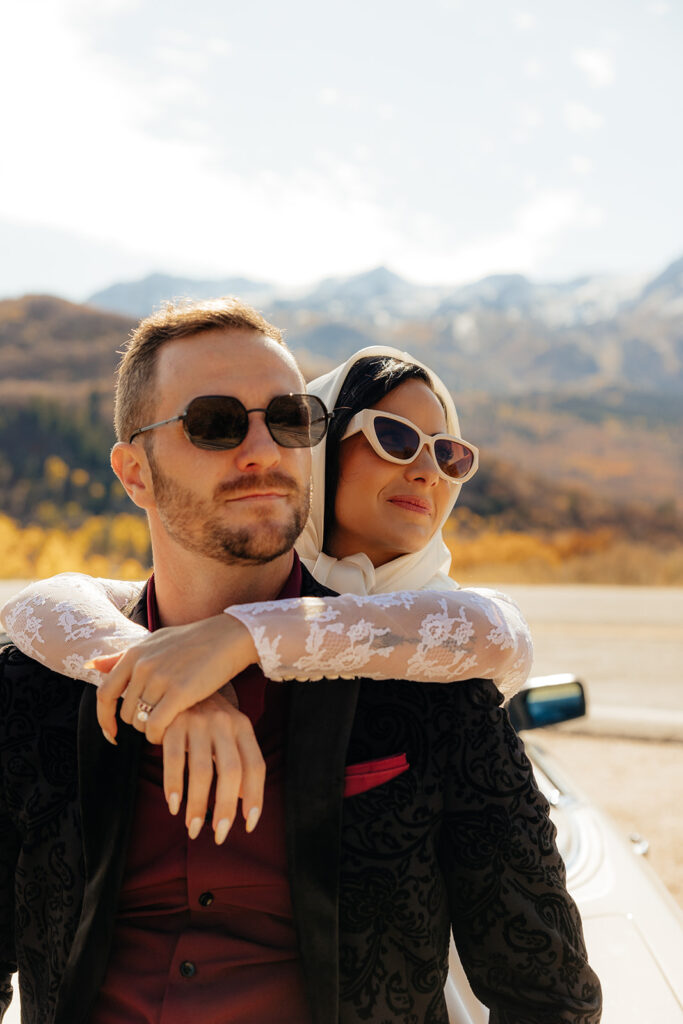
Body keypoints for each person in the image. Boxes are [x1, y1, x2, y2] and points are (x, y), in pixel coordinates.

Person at [0, 298, 601, 1023]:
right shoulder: (36, 679)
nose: (262, 450)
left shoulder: (427, 682)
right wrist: (166, 686)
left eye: (289, 420)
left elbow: (548, 996)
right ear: (134, 474)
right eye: (214, 424)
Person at [2, 345, 532, 838]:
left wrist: (242, 637)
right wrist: (164, 679)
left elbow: (503, 636)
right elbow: (42, 603)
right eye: (395, 439)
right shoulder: (244, 572)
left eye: (449, 455)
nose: (427, 473)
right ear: (318, 452)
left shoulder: (449, 626)